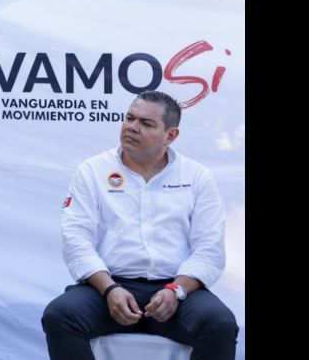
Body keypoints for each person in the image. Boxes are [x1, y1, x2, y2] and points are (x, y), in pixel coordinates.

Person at [41, 90, 238, 359]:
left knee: (219, 324)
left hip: (178, 291)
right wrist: (109, 289)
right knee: (60, 316)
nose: (132, 127)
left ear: (171, 136)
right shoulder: (93, 170)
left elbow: (209, 249)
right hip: (109, 287)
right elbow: (76, 239)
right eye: (129, 118)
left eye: (146, 123)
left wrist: (176, 290)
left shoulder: (197, 177)